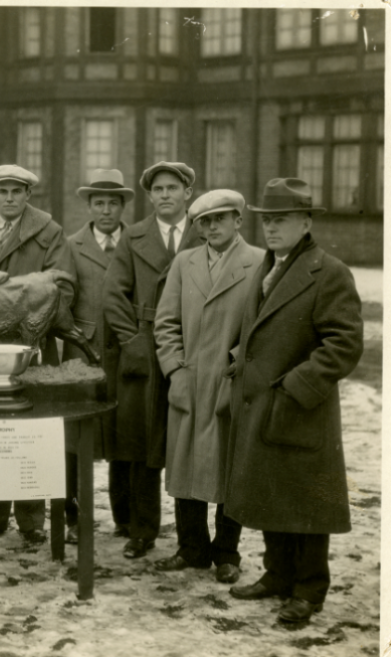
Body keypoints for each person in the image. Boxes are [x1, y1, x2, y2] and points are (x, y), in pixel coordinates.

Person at [224, 178, 363, 624]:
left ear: (305, 222)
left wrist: (297, 386)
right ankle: (277, 575)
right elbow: (258, 330)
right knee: (269, 495)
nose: (272, 228)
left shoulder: (330, 271)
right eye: (267, 220)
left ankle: (308, 589)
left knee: (306, 502)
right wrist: (238, 363)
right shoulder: (267, 267)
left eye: (281, 220)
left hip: (301, 409)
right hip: (261, 406)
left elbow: (344, 344)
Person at [153, 189, 265, 582]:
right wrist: (174, 370)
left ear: (238, 220)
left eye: (221, 218)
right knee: (185, 465)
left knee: (227, 467)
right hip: (188, 379)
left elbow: (263, 325)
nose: (213, 227)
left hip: (230, 381)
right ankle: (192, 548)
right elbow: (165, 322)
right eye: (205, 221)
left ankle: (226, 554)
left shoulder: (258, 263)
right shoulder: (185, 263)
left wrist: (238, 363)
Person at [0, 164, 75, 545]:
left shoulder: (49, 231)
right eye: (3, 191)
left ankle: (32, 518)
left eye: (17, 192)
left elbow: (62, 284)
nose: (10, 198)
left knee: (30, 429)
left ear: (29, 195)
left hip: (31, 343)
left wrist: (35, 318)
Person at [103, 161, 201, 559]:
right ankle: (141, 529)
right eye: (157, 190)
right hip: (143, 344)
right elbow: (113, 293)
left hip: (191, 342)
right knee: (140, 438)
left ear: (187, 194)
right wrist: (132, 341)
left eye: (172, 188)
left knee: (185, 437)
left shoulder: (204, 231)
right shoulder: (135, 237)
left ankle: (193, 539)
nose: (164, 196)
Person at [63, 169, 133, 545]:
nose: (106, 210)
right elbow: (63, 298)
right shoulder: (72, 244)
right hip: (83, 351)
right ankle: (74, 516)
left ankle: (125, 516)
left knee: (122, 435)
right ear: (88, 206)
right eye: (99, 203)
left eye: (113, 203)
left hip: (123, 351)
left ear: (122, 207)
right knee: (76, 438)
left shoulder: (136, 243)